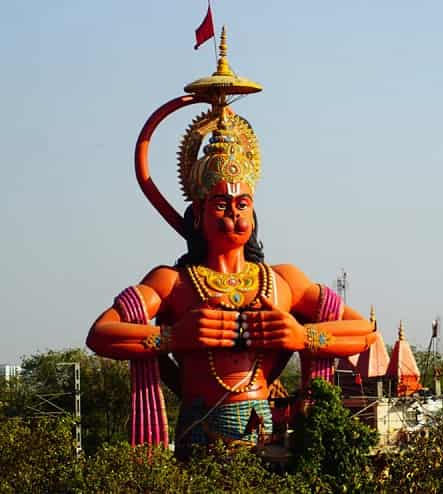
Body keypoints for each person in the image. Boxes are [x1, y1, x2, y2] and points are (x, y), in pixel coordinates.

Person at [86, 34, 375, 457]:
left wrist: (302, 335)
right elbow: (102, 334)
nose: (234, 215)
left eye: (243, 204)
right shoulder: (173, 282)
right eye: (221, 204)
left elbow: (363, 332)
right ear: (199, 211)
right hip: (199, 433)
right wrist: (171, 337)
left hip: (270, 433)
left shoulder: (281, 281)